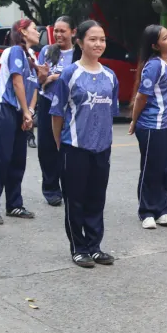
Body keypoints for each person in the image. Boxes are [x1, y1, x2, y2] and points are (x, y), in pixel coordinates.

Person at [49, 20, 117, 268]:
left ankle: (94, 246)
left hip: (102, 149)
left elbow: (112, 112)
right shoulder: (70, 74)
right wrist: (60, 145)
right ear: (80, 42)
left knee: (96, 198)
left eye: (102, 39)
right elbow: (57, 113)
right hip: (74, 148)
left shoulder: (110, 76)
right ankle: (79, 248)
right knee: (75, 199)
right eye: (93, 39)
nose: (98, 44)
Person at [0, 19, 39, 225]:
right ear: (23, 31)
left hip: (21, 111)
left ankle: (14, 204)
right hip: (5, 109)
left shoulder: (32, 56)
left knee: (18, 160)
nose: (37, 32)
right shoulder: (15, 51)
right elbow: (17, 82)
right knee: (1, 159)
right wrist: (25, 111)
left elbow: (34, 87)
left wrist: (29, 112)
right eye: (34, 29)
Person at [131, 25, 167, 229]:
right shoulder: (153, 66)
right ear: (155, 45)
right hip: (152, 126)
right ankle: (146, 211)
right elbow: (142, 96)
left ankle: (161, 210)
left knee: (164, 170)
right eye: (165, 37)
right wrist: (134, 121)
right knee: (151, 169)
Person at [36, 16, 77, 206]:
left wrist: (57, 77)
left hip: (70, 107)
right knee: (47, 147)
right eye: (56, 31)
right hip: (47, 104)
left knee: (68, 147)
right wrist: (45, 78)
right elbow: (37, 80)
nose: (59, 34)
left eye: (63, 31)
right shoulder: (47, 51)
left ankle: (70, 187)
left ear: (73, 32)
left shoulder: (78, 53)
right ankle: (51, 189)